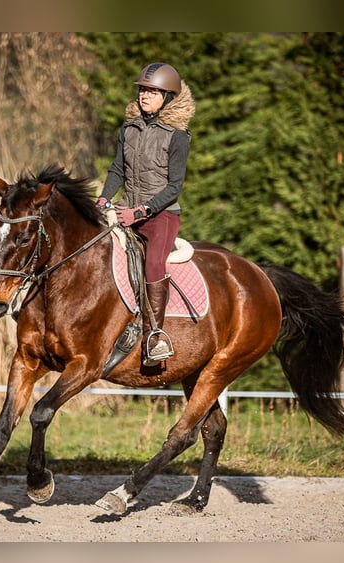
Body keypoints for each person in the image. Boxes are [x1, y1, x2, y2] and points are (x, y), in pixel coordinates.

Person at [96, 62, 195, 367]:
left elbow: (175, 187)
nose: (144, 95)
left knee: (153, 262)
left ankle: (155, 336)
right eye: (142, 90)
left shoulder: (177, 136)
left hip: (161, 216)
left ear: (167, 97)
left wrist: (141, 211)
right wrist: (103, 198)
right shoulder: (129, 128)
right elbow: (117, 170)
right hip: (126, 209)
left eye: (152, 91)